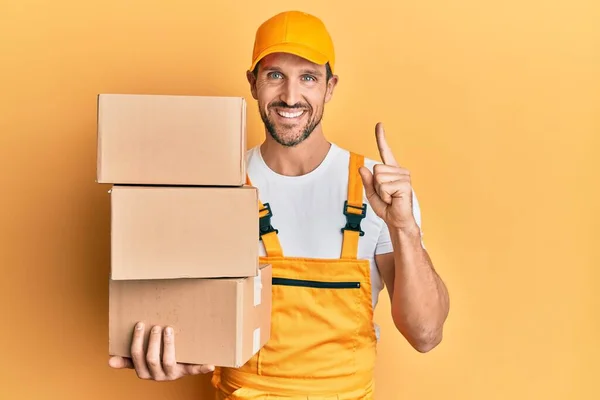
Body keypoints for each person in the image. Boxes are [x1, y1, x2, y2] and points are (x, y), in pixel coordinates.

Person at [108, 10, 450, 399]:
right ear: (253, 83)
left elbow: (425, 334)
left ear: (330, 86)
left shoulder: (380, 189)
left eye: (308, 77)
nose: (290, 96)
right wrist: (170, 351)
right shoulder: (216, 187)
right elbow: (186, 312)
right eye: (275, 76)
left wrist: (404, 227)